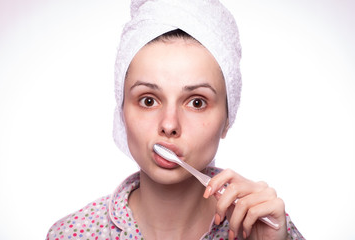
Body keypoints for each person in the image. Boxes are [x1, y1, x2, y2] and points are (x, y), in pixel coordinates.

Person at [46, 0, 304, 239]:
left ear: (227, 119)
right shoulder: (72, 234)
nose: (169, 125)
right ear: (121, 110)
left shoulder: (269, 227)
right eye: (148, 101)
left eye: (196, 102)